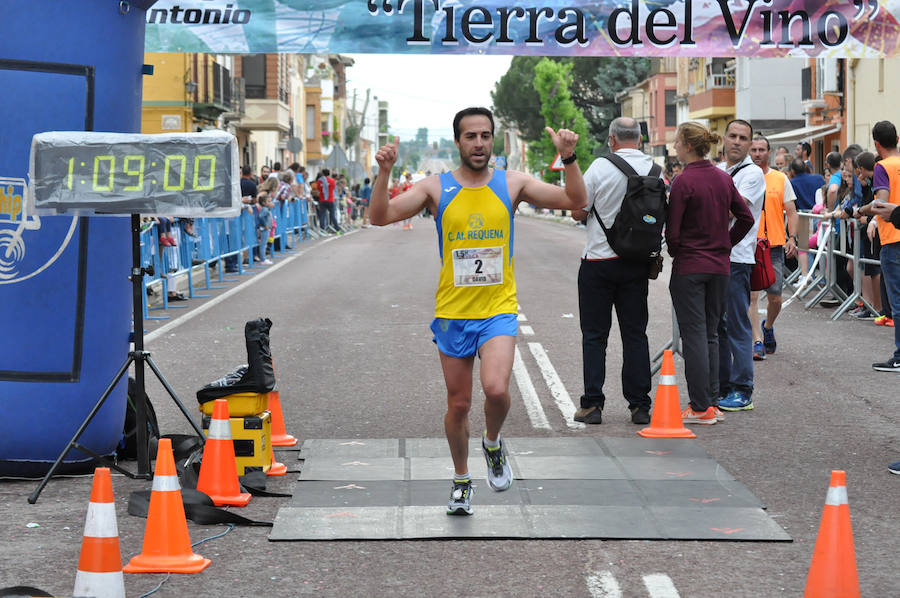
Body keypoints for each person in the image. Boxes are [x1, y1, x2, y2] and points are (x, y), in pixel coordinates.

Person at [369, 107, 586, 515]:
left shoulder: (513, 183)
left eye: (486, 135)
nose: (480, 143)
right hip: (452, 312)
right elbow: (379, 217)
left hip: (498, 309)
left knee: (498, 390)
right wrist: (384, 173)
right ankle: (462, 479)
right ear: (458, 142)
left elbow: (575, 200)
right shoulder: (435, 188)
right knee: (458, 405)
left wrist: (569, 157)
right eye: (471, 136)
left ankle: (492, 442)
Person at [570, 117, 658, 426]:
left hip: (598, 263)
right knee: (635, 334)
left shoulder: (600, 167)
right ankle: (640, 405)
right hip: (636, 264)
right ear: (638, 138)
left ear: (611, 139)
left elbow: (578, 209)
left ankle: (592, 405)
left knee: (595, 336)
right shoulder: (654, 169)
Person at [666, 122, 754, 424]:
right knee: (713, 333)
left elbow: (673, 233)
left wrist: (677, 250)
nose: (675, 146)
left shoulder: (682, 182)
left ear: (688, 146)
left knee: (694, 336)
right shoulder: (722, 178)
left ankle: (700, 406)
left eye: (678, 141)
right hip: (719, 266)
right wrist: (725, 244)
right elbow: (745, 218)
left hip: (690, 266)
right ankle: (713, 401)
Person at [717, 120, 765, 413]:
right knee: (718, 326)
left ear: (749, 144)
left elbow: (733, 209)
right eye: (732, 136)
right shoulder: (720, 171)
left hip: (737, 258)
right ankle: (722, 385)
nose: (736, 141)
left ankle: (743, 389)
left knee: (736, 325)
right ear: (724, 139)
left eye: (742, 138)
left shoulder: (753, 174)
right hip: (716, 257)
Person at [748, 136, 799, 361]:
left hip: (774, 246)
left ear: (768, 152)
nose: (757, 153)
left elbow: (792, 211)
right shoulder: (743, 176)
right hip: (747, 244)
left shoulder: (780, 178)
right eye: (754, 150)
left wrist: (793, 238)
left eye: (761, 150)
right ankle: (757, 341)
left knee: (775, 297)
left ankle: (767, 326)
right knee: (751, 298)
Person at [858, 120, 900, 372]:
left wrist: (860, 211)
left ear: (876, 144)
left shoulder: (882, 167)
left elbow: (881, 205)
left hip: (893, 240)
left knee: (898, 303)